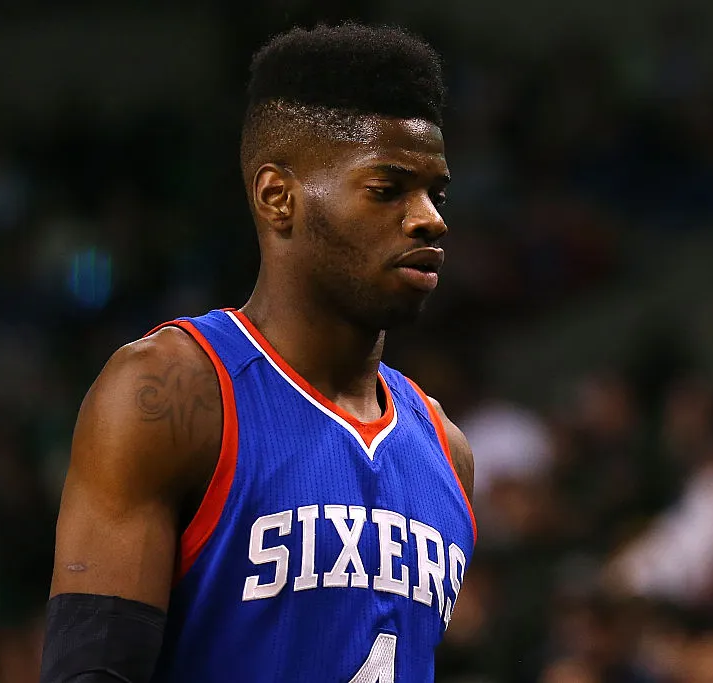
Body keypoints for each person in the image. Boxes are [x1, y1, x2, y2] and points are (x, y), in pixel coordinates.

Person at [39, 23, 476, 683]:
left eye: (435, 194)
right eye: (389, 189)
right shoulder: (172, 393)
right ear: (279, 197)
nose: (430, 218)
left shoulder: (449, 450)